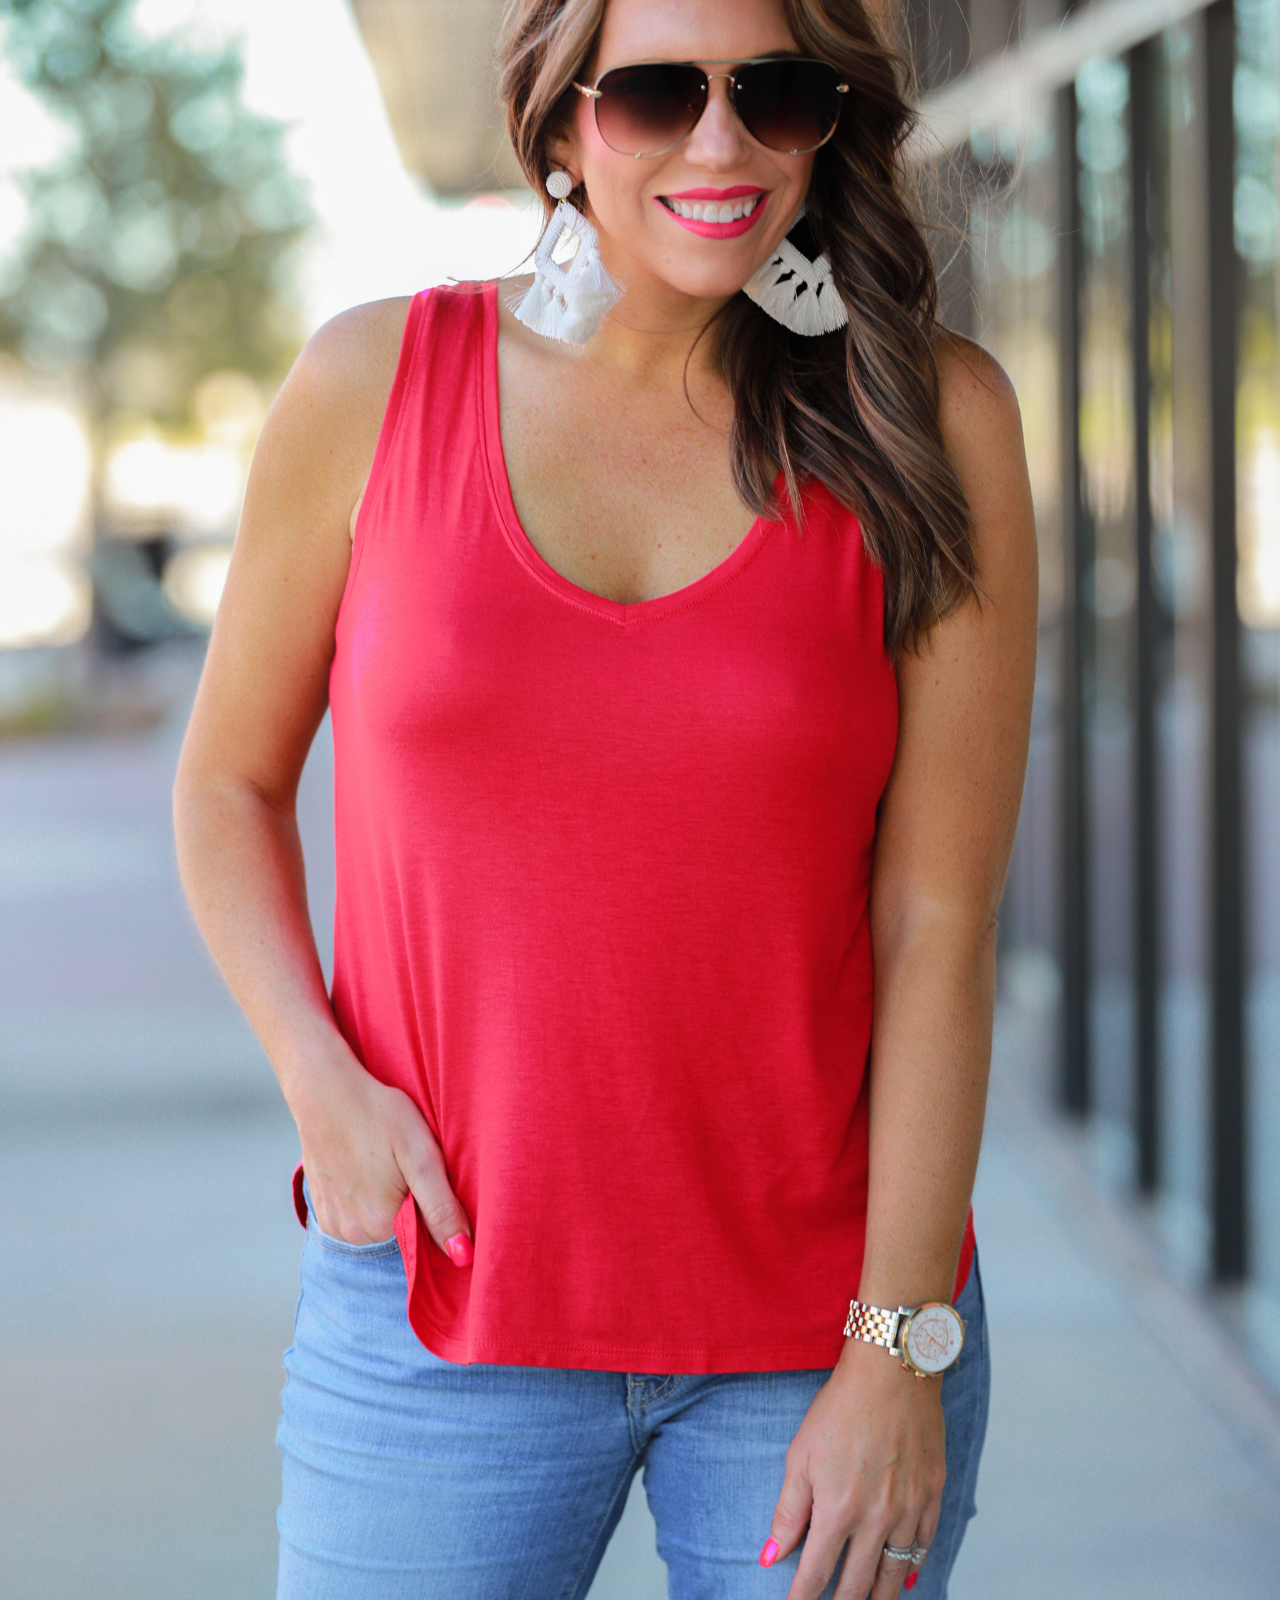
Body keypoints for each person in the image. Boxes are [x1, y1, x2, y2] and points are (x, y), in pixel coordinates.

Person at [172, 0, 1037, 1595]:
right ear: (565, 122)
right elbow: (227, 783)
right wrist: (319, 1082)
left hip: (822, 1333)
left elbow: (939, 921)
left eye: (771, 92)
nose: (721, 146)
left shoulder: (933, 421)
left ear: (825, 122)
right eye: (655, 94)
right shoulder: (374, 383)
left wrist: (900, 1345)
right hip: (441, 1308)